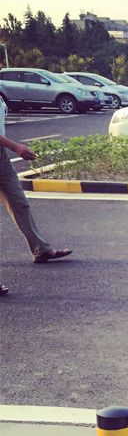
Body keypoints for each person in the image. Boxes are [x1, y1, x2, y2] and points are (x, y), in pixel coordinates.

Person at [0, 97, 72, 295]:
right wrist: (16, 147)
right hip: (6, 150)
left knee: (20, 204)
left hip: (2, 158)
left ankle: (41, 249)